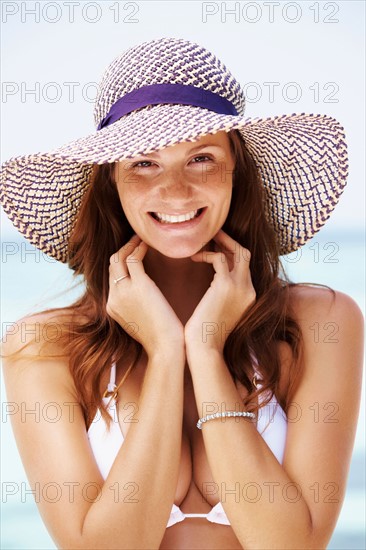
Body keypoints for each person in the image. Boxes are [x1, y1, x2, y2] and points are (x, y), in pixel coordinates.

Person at [0, 37, 363, 550]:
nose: (175, 191)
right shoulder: (43, 347)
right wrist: (167, 350)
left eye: (201, 158)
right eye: (144, 163)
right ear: (111, 183)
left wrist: (207, 348)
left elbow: (293, 545)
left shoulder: (322, 321)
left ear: (239, 171)